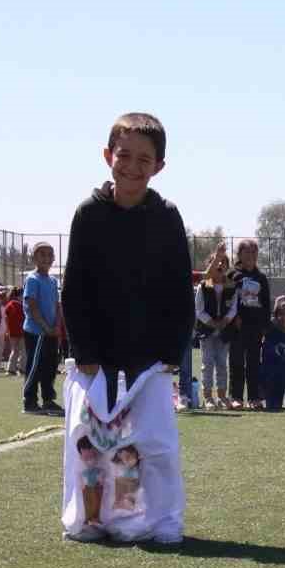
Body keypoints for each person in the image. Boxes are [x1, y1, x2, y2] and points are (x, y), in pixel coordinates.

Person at [60, 111, 193, 544]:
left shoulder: (167, 217)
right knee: (91, 445)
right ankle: (92, 520)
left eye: (144, 158)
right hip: (96, 357)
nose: (132, 166)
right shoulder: (88, 214)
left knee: (153, 446)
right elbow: (75, 289)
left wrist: (172, 354)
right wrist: (86, 355)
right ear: (107, 156)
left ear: (159, 166)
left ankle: (154, 522)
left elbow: (178, 290)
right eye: (124, 155)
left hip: (150, 358)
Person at [228, 239, 271, 410]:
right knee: (236, 362)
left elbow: (266, 303)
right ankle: (236, 397)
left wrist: (264, 326)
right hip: (237, 326)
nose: (251, 255)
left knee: (254, 363)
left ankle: (254, 398)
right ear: (239, 255)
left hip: (255, 327)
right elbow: (227, 297)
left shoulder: (261, 278)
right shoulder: (232, 274)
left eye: (254, 252)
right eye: (247, 252)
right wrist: (234, 317)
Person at [22, 242, 62, 415]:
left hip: (51, 332)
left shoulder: (53, 281)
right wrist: (45, 327)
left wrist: (57, 326)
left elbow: (56, 305)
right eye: (42, 254)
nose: (46, 258)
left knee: (51, 366)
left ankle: (48, 399)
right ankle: (29, 401)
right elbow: (32, 306)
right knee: (35, 366)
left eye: (49, 255)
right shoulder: (32, 279)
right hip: (37, 332)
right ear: (34, 258)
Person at [196, 247, 238, 409]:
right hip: (207, 330)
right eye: (216, 263)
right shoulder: (203, 286)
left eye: (223, 263)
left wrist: (227, 320)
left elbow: (234, 307)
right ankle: (208, 397)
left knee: (222, 363)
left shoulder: (232, 286)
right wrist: (212, 323)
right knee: (207, 364)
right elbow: (199, 310)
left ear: (227, 267)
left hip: (225, 330)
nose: (220, 266)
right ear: (210, 266)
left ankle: (222, 396)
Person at [2, 287, 25, 375]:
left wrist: (7, 330)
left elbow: (6, 318)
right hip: (22, 331)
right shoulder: (21, 305)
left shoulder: (10, 304)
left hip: (12, 331)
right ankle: (22, 368)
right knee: (23, 351)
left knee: (14, 350)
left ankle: (11, 369)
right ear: (19, 295)